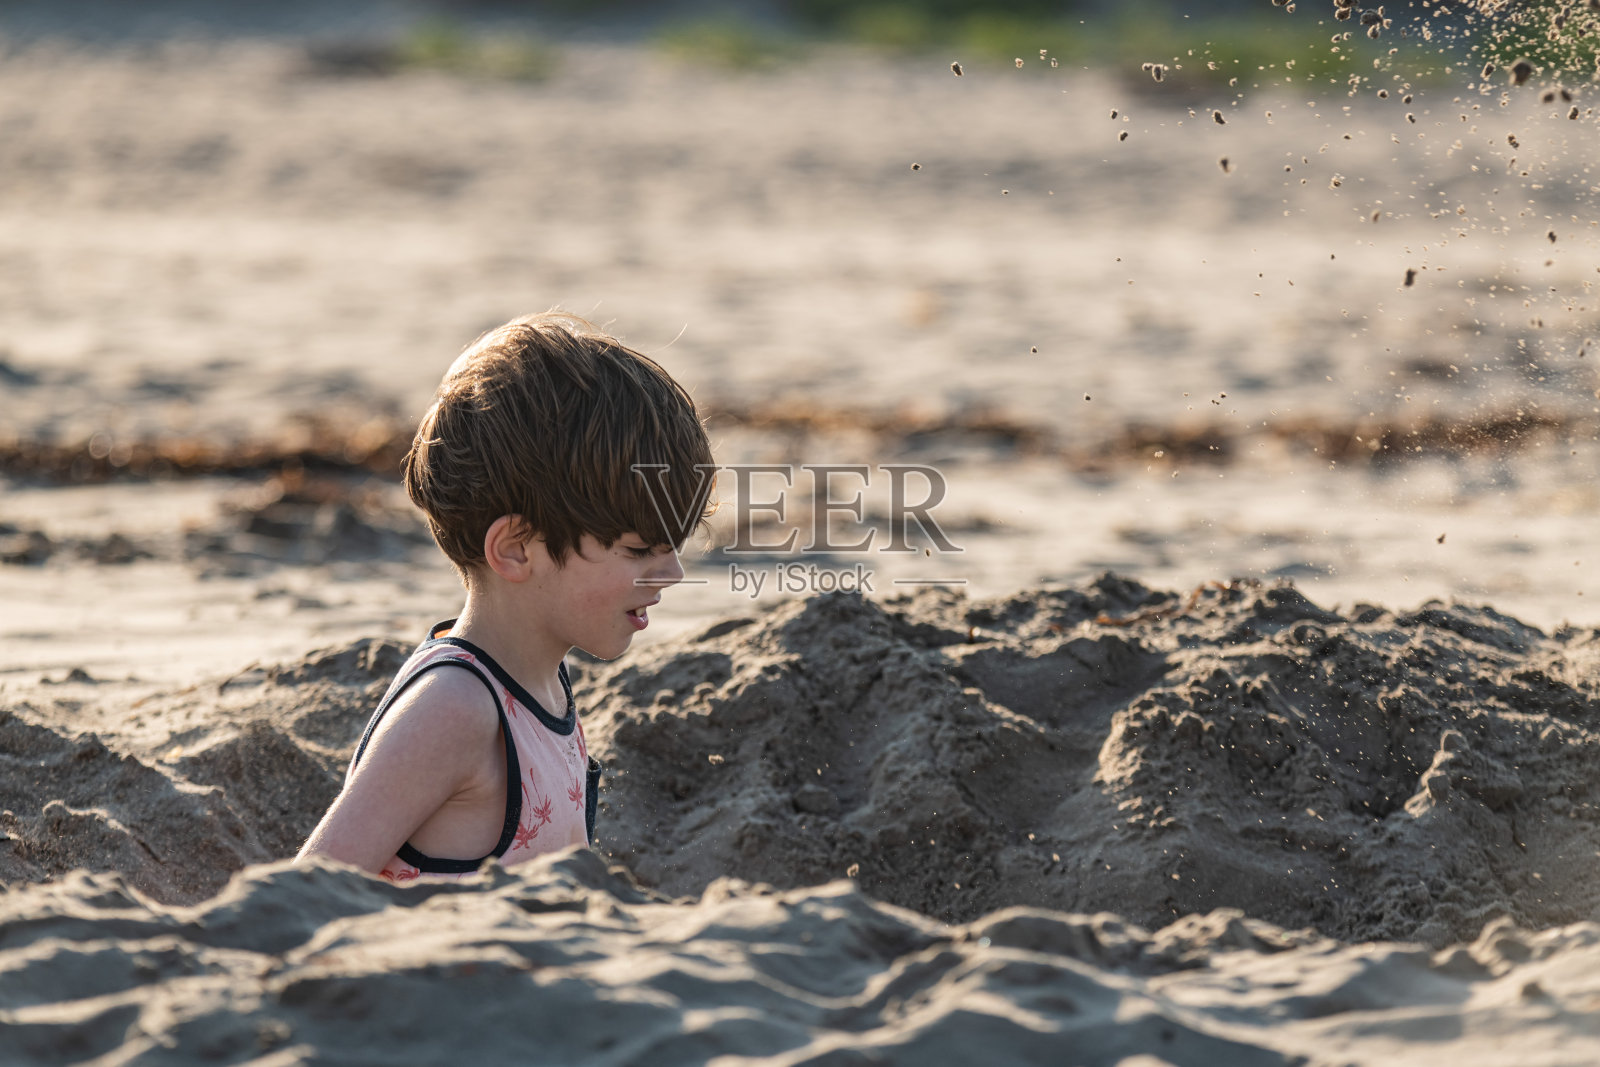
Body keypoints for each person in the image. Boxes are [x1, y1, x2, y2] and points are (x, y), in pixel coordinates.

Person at [297, 311, 714, 882]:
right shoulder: (455, 708)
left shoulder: (542, 681)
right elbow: (306, 890)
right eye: (640, 551)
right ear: (516, 549)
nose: (673, 572)